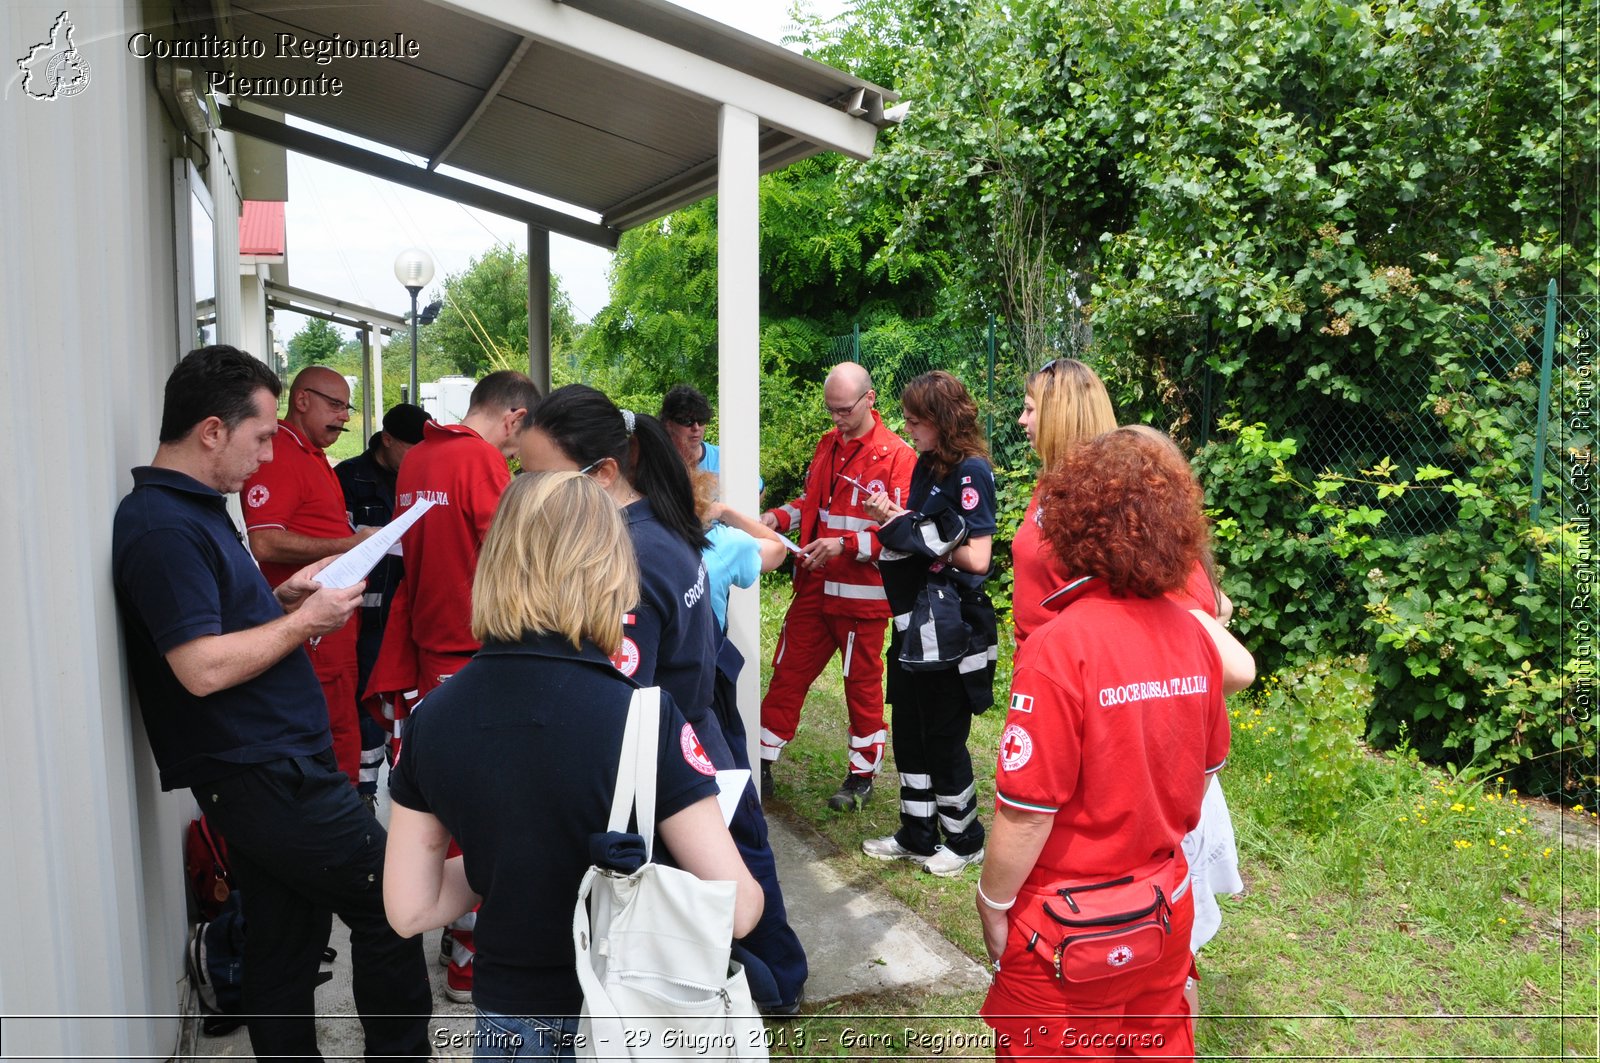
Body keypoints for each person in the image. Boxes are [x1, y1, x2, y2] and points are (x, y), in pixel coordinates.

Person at [112, 345, 430, 1063]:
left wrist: (283, 596)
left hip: (268, 764)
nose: (265, 457)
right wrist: (303, 623)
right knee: (394, 902)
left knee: (284, 946)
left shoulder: (192, 511)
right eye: (260, 436)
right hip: (263, 770)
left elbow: (217, 626)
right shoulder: (163, 527)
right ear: (212, 431)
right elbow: (197, 668)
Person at [383, 471, 762, 1060]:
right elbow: (739, 909)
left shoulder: (433, 717)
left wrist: (505, 863)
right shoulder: (643, 716)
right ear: (610, 569)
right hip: (627, 1007)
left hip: (509, 1016)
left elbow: (411, 910)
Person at [521, 386, 808, 1016]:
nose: (527, 494)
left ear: (602, 473)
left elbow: (619, 698)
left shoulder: (623, 554)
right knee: (743, 858)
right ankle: (778, 980)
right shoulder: (654, 521)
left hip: (670, 749)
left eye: (540, 477)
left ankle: (759, 986)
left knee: (710, 885)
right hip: (701, 727)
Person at [977, 427, 1243, 1059]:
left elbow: (1025, 811)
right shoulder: (1194, 635)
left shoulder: (1058, 647)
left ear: (1072, 522)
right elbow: (1203, 772)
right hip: (1162, 905)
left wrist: (992, 902)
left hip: (1070, 930)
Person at [366, 368, 540, 1003]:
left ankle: (450, 933)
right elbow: (516, 555)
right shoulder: (478, 461)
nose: (517, 455)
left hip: (423, 650)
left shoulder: (417, 460)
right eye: (521, 441)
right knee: (483, 806)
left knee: (437, 796)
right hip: (475, 651)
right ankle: (470, 960)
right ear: (514, 418)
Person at [757, 362, 916, 811]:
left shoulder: (898, 457)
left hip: (860, 597)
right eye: (830, 411)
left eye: (844, 410)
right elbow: (814, 503)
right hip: (815, 585)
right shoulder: (828, 443)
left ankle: (861, 777)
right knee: (788, 672)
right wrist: (779, 517)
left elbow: (900, 535)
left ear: (869, 400)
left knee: (861, 686)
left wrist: (844, 546)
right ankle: (762, 761)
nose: (836, 419)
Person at [860, 371, 999, 877]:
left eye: (917, 421)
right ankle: (917, 833)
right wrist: (893, 516)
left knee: (943, 734)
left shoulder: (972, 472)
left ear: (942, 421)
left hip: (951, 624)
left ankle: (964, 840)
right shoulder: (926, 465)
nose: (909, 428)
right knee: (911, 730)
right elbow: (920, 526)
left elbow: (978, 558)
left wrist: (907, 530)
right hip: (912, 620)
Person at [243, 366, 376, 785]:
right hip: (309, 628)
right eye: (335, 406)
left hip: (332, 625)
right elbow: (264, 542)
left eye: (346, 408)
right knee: (326, 731)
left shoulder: (312, 454)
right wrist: (349, 545)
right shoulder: (279, 454)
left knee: (342, 728)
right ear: (302, 400)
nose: (345, 418)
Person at [334, 402, 431, 810]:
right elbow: (338, 542)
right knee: (365, 705)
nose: (418, 456)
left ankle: (407, 784)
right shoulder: (349, 477)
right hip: (363, 614)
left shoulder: (423, 473)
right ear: (387, 440)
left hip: (407, 612)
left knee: (405, 703)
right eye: (411, 447)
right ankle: (364, 794)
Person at [1011, 358, 1117, 650]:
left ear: (1060, 415)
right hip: (1036, 658)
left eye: (1030, 409)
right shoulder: (1050, 481)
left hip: (1067, 667)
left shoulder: (1102, 495)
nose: (1021, 419)